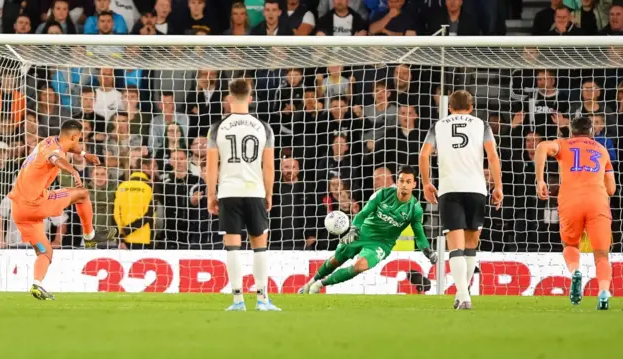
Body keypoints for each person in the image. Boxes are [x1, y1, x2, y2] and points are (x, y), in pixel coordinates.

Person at [7, 120, 117, 300]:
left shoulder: (49, 141)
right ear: (74, 136)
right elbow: (55, 159)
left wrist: (84, 153)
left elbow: (65, 150)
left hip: (19, 209)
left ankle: (37, 284)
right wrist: (73, 171)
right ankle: (90, 236)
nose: (78, 142)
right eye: (79, 139)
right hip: (35, 204)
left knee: (45, 251)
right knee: (82, 193)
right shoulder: (54, 152)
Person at [419, 90, 503, 310]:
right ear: (471, 106)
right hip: (476, 189)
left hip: (450, 189)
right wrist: (498, 186)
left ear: (450, 107)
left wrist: (427, 183)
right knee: (471, 245)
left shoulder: (438, 126)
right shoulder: (481, 125)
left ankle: (463, 295)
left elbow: (424, 154)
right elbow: (493, 156)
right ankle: (463, 294)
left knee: (455, 246)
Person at [298, 166, 438, 294]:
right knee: (336, 260)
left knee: (360, 266)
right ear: (397, 181)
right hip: (362, 233)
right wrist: (354, 229)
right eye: (401, 181)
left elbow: (419, 234)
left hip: (381, 244)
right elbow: (363, 214)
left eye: (408, 182)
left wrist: (427, 249)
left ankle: (320, 285)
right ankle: (309, 284)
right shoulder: (382, 194)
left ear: (414, 184)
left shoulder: (415, 209)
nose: (404, 185)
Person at [206, 79, 279, 311]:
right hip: (254, 191)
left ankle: (237, 300)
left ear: (228, 99)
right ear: (250, 98)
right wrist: (269, 193)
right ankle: (262, 299)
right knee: (260, 246)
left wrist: (211, 194)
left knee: (233, 246)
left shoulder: (217, 127)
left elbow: (211, 167)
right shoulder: (263, 127)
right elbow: (269, 167)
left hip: (228, 192)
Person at [534, 116, 615, 310]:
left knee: (570, 244)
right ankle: (603, 292)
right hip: (598, 201)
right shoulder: (602, 150)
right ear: (592, 132)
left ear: (571, 131)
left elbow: (541, 148)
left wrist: (540, 180)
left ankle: (576, 271)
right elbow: (611, 188)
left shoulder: (564, 144)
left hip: (570, 200)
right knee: (602, 254)